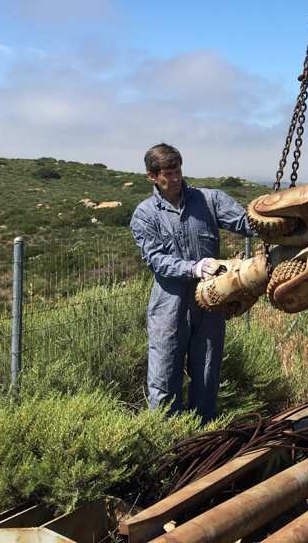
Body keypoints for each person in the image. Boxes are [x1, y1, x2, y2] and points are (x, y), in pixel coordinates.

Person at [129, 143, 251, 423]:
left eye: (178, 171)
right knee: (164, 377)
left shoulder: (209, 200)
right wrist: (195, 267)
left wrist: (275, 213)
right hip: (169, 307)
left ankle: (204, 439)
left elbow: (247, 223)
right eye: (167, 174)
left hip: (210, 304)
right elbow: (157, 260)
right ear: (151, 176)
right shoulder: (145, 214)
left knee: (207, 375)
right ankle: (168, 443)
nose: (175, 179)